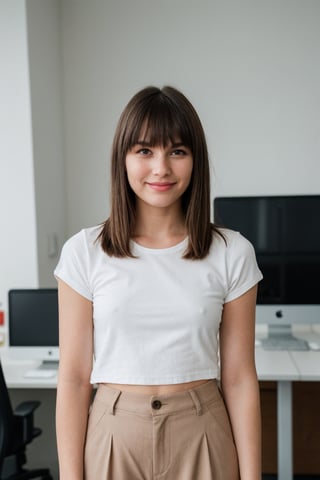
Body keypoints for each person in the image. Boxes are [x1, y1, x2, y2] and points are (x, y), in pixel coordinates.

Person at [54, 85, 263, 480]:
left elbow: (238, 379)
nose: (161, 168)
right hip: (113, 434)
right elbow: (74, 378)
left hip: (202, 432)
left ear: (195, 160)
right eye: (145, 150)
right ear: (123, 159)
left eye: (177, 151)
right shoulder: (84, 251)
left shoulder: (233, 252)